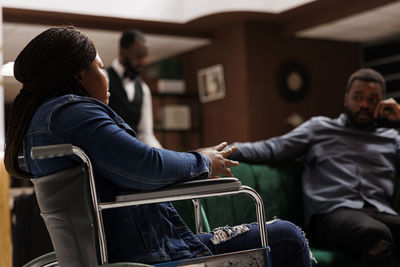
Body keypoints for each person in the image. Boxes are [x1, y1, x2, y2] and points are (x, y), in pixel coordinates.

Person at [4, 26, 312, 266]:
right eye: (99, 67)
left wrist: (186, 166)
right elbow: (145, 166)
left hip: (122, 249)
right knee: (287, 236)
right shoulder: (73, 113)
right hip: (147, 254)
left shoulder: (45, 119)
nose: (106, 76)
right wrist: (202, 162)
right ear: (79, 76)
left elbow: (137, 160)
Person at [229, 68, 400, 267]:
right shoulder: (320, 128)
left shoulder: (391, 137)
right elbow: (271, 148)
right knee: (377, 235)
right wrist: (220, 151)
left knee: (380, 230)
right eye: (358, 97)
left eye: (372, 99)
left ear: (382, 102)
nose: (364, 104)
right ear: (346, 99)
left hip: (379, 210)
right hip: (333, 213)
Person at [106, 29, 161, 148]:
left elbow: (145, 134)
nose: (143, 62)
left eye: (145, 56)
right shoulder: (104, 79)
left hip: (132, 154)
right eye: (138, 56)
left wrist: (164, 156)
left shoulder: (143, 88)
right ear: (122, 53)